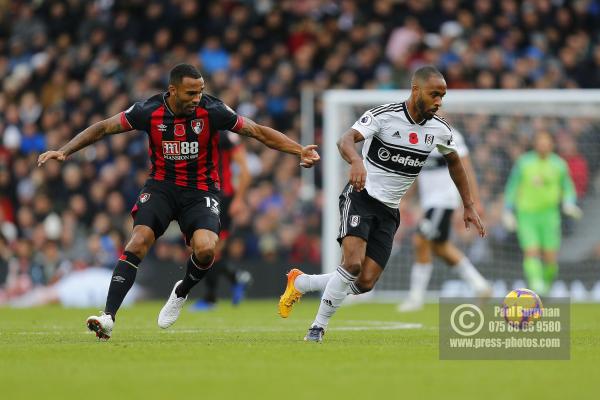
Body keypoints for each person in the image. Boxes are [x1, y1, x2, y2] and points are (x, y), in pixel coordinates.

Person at [37, 63, 320, 340]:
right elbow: (103, 127)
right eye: (190, 94)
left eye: (200, 92)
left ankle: (181, 291)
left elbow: (257, 131)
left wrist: (298, 150)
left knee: (207, 249)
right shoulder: (148, 111)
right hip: (161, 188)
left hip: (201, 191)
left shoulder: (213, 110)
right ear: (172, 91)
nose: (197, 99)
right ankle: (108, 317)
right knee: (137, 242)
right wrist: (64, 150)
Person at [278, 66, 485, 342]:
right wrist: (356, 161)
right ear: (416, 90)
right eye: (434, 94)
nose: (439, 101)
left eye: (442, 96)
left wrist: (469, 204)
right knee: (351, 265)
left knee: (364, 282)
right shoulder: (384, 116)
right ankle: (317, 328)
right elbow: (346, 140)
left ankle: (302, 282)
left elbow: (455, 162)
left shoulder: (440, 130)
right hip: (360, 197)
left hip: (389, 210)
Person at [398, 129, 491, 312]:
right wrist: (407, 198)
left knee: (420, 240)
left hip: (443, 200)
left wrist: (474, 202)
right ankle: (481, 286)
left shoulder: (450, 135)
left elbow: (466, 168)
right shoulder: (415, 138)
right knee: (440, 247)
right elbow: (417, 173)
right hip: (429, 203)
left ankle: (416, 298)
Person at [502, 131, 581, 296]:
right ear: (535, 144)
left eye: (546, 142)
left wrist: (569, 203)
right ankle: (536, 286)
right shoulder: (524, 163)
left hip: (550, 216)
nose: (543, 145)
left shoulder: (559, 164)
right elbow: (512, 187)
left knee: (551, 258)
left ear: (552, 144)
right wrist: (508, 210)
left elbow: (567, 187)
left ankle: (546, 286)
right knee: (531, 251)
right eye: (540, 141)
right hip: (527, 215)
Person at [192, 130, 252, 310]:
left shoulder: (224, 136)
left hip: (222, 198)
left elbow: (244, 170)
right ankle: (237, 277)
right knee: (202, 249)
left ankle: (210, 299)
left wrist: (239, 199)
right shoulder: (194, 132)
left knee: (212, 249)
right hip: (200, 197)